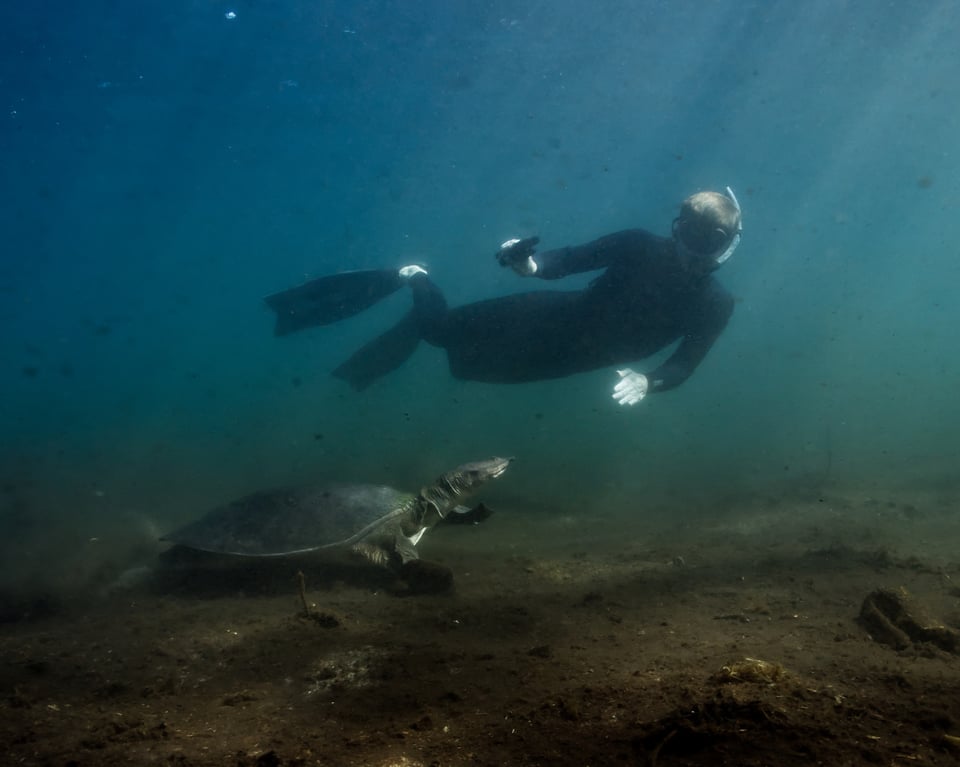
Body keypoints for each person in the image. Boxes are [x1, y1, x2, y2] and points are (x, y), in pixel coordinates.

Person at [264, 187, 742, 406]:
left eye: (707, 241)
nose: (690, 250)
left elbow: (685, 363)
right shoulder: (639, 243)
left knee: (463, 364)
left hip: (565, 359)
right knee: (439, 332)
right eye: (686, 233)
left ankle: (410, 290)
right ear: (675, 228)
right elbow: (570, 259)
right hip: (553, 316)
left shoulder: (714, 304)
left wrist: (648, 382)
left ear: (728, 244)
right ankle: (413, 278)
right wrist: (529, 265)